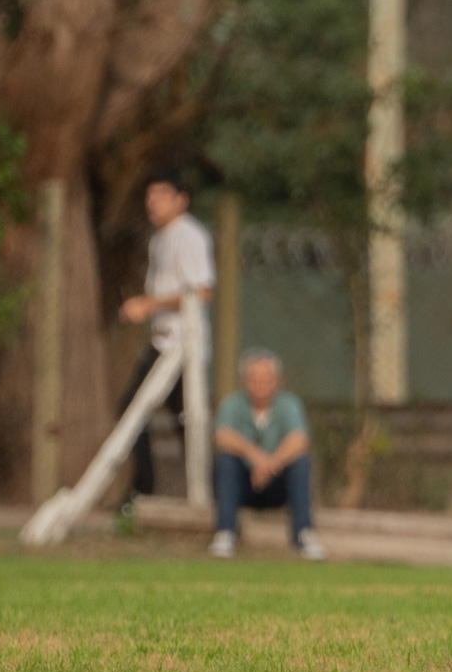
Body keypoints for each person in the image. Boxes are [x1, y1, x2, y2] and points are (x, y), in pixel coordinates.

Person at [116, 169, 214, 500]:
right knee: (146, 412)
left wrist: (149, 304)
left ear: (181, 200)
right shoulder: (159, 239)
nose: (153, 202)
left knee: (183, 421)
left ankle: (206, 492)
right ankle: (146, 489)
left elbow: (201, 292)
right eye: (150, 195)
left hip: (182, 346)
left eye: (161, 195)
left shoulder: (190, 236)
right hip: (162, 341)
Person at [209, 350, 324, 561]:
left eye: (265, 379)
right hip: (243, 484)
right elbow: (222, 436)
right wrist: (254, 456)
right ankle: (225, 533)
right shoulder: (231, 404)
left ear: (276, 381)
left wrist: (269, 464)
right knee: (225, 460)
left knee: (301, 461)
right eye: (254, 379)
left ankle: (304, 533)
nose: (260, 384)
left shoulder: (289, 404)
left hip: (277, 485)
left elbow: (299, 439)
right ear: (244, 381)